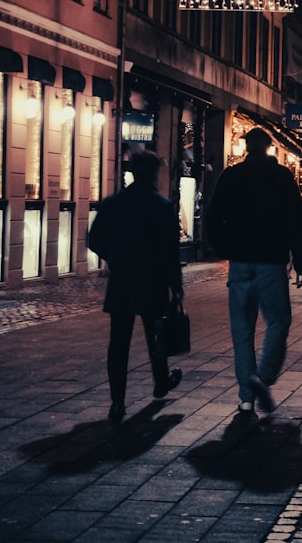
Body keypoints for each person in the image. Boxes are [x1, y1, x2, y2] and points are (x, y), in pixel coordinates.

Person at [206, 127, 302, 413]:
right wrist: (301, 260)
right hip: (271, 262)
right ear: (268, 148)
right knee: (278, 322)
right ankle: (262, 376)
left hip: (240, 263)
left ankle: (245, 398)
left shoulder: (231, 176)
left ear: (246, 147)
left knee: (242, 331)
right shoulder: (281, 178)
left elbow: (213, 217)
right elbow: (295, 221)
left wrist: (225, 249)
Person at [87, 150, 184, 424]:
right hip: (152, 280)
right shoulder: (162, 206)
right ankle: (161, 381)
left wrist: (115, 259)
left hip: (122, 280)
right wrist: (176, 285)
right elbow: (170, 252)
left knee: (118, 343)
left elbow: (94, 240)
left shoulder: (113, 203)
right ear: (154, 173)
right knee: (157, 336)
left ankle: (117, 402)